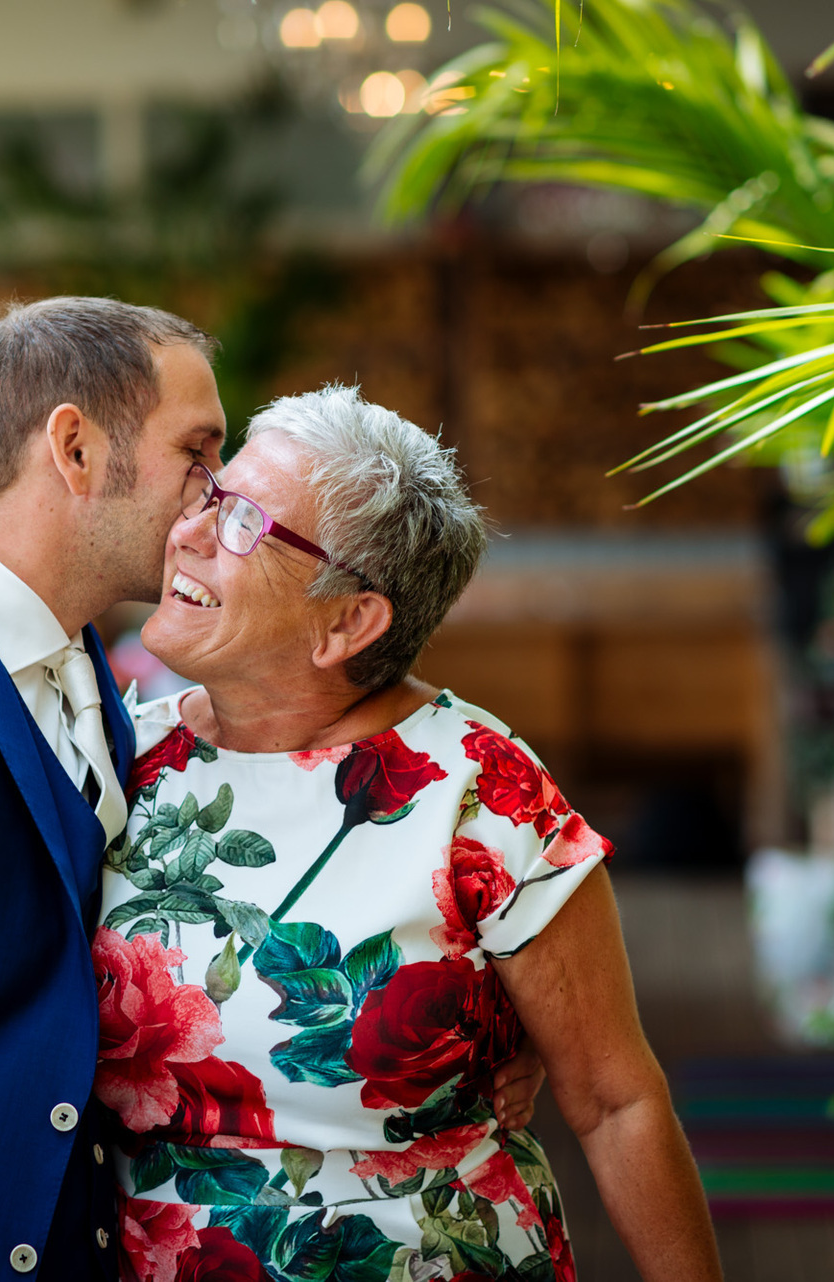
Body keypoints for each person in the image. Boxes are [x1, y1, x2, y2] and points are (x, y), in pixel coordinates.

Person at [0, 299, 544, 1282]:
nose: (216, 494)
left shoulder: (90, 669)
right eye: (198, 450)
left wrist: (485, 1030)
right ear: (76, 450)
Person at [95, 386, 723, 1282]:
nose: (190, 532)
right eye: (210, 494)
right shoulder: (117, 762)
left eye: (244, 523)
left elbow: (618, 1102)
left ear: (348, 621)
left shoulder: (481, 790)